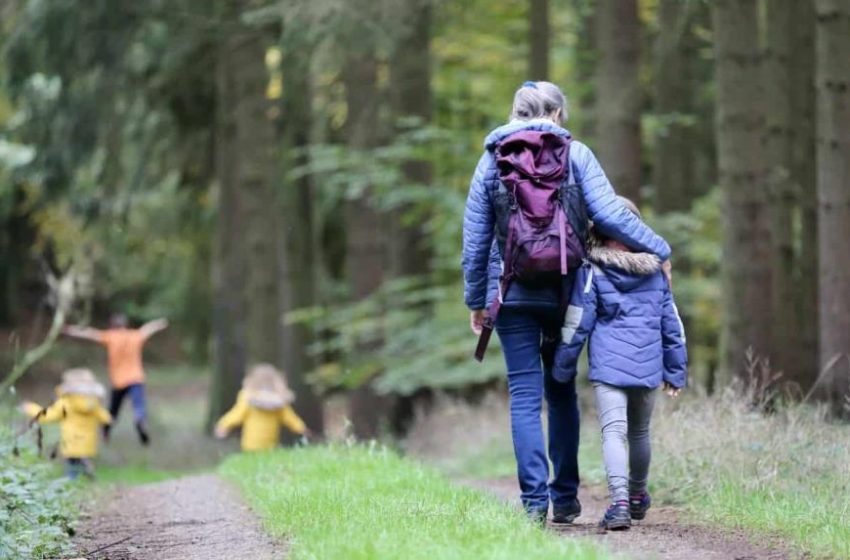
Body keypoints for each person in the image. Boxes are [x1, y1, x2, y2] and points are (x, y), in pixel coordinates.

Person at [462, 80, 672, 524]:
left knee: (523, 394)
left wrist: (476, 300)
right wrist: (660, 249)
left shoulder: (490, 161)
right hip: (567, 291)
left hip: (512, 291)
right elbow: (612, 214)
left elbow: (475, 240)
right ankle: (566, 498)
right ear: (557, 114)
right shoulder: (577, 154)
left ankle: (534, 504)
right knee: (560, 391)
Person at [552, 197, 687, 530]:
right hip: (648, 365)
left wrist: (562, 366)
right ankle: (638, 496)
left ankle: (621, 503)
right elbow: (672, 325)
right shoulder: (657, 272)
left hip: (609, 368)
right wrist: (675, 370)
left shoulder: (592, 270)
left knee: (614, 433)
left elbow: (577, 321)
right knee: (640, 433)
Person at [62, 313, 168, 445]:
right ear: (125, 325)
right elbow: (148, 328)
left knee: (113, 411)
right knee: (139, 405)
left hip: (119, 381)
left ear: (113, 326)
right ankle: (139, 420)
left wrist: (71, 330)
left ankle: (106, 431)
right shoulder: (135, 335)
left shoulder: (111, 336)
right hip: (136, 378)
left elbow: (90, 333)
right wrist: (160, 322)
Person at [20, 368, 112, 479]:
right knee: (79, 460)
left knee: (71, 465)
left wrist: (30, 408)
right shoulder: (94, 403)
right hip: (88, 442)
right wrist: (106, 429)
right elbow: (106, 418)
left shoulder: (66, 402)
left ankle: (73, 478)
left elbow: (48, 415)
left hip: (71, 441)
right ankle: (85, 468)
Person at [214, 363, 309, 451]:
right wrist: (301, 428)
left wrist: (223, 425)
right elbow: (290, 417)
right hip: (271, 444)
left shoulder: (248, 397)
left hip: (250, 444)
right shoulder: (278, 401)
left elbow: (237, 414)